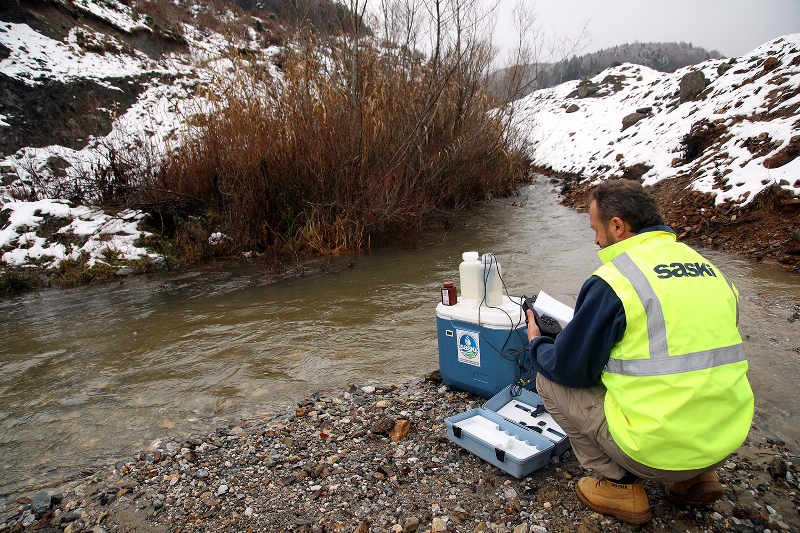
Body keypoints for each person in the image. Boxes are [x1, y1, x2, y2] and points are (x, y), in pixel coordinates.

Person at [525, 179, 754, 525]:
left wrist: (537, 343)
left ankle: (620, 486)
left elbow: (570, 370)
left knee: (549, 380)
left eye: (596, 230)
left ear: (617, 225)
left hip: (656, 454)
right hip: (724, 441)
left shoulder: (616, 280)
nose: (596, 240)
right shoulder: (711, 270)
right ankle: (694, 478)